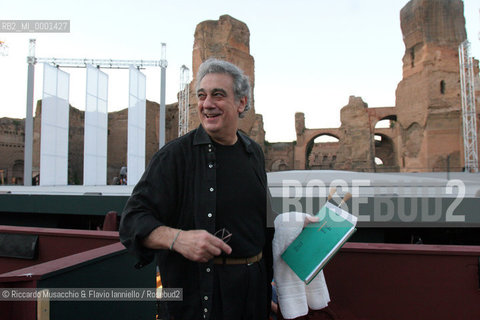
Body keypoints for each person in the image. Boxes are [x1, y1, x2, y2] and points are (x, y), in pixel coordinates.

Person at [120, 58, 274, 320]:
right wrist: (178, 239)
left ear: (241, 103)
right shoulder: (174, 156)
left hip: (252, 301)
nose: (207, 104)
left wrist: (264, 293)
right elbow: (131, 222)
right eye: (202, 96)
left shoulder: (253, 152)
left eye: (218, 95)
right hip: (199, 305)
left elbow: (261, 227)